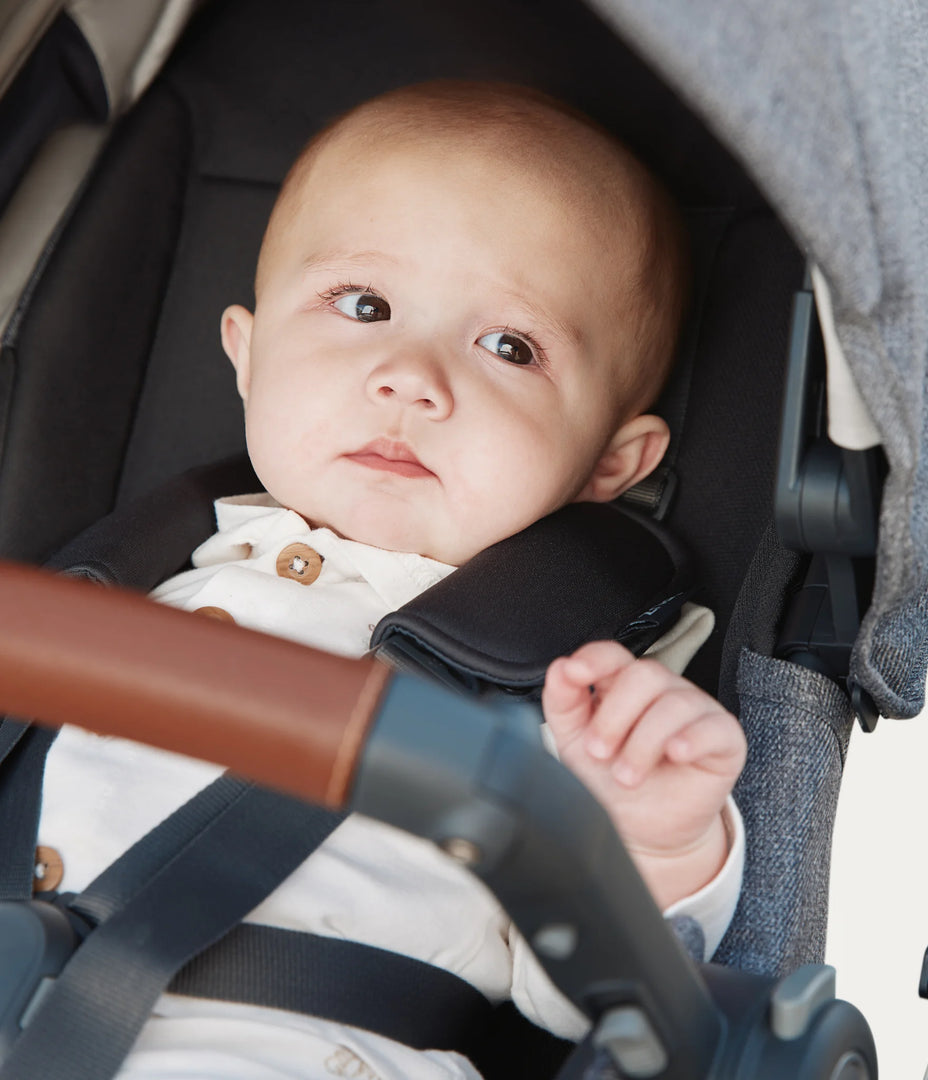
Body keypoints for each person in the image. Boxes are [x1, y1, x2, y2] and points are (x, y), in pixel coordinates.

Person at [37, 81, 746, 1080]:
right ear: (248, 356)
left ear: (610, 465)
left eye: (511, 346)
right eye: (364, 306)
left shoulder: (574, 682)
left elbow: (602, 1001)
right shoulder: (123, 571)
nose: (411, 375)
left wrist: (662, 835)